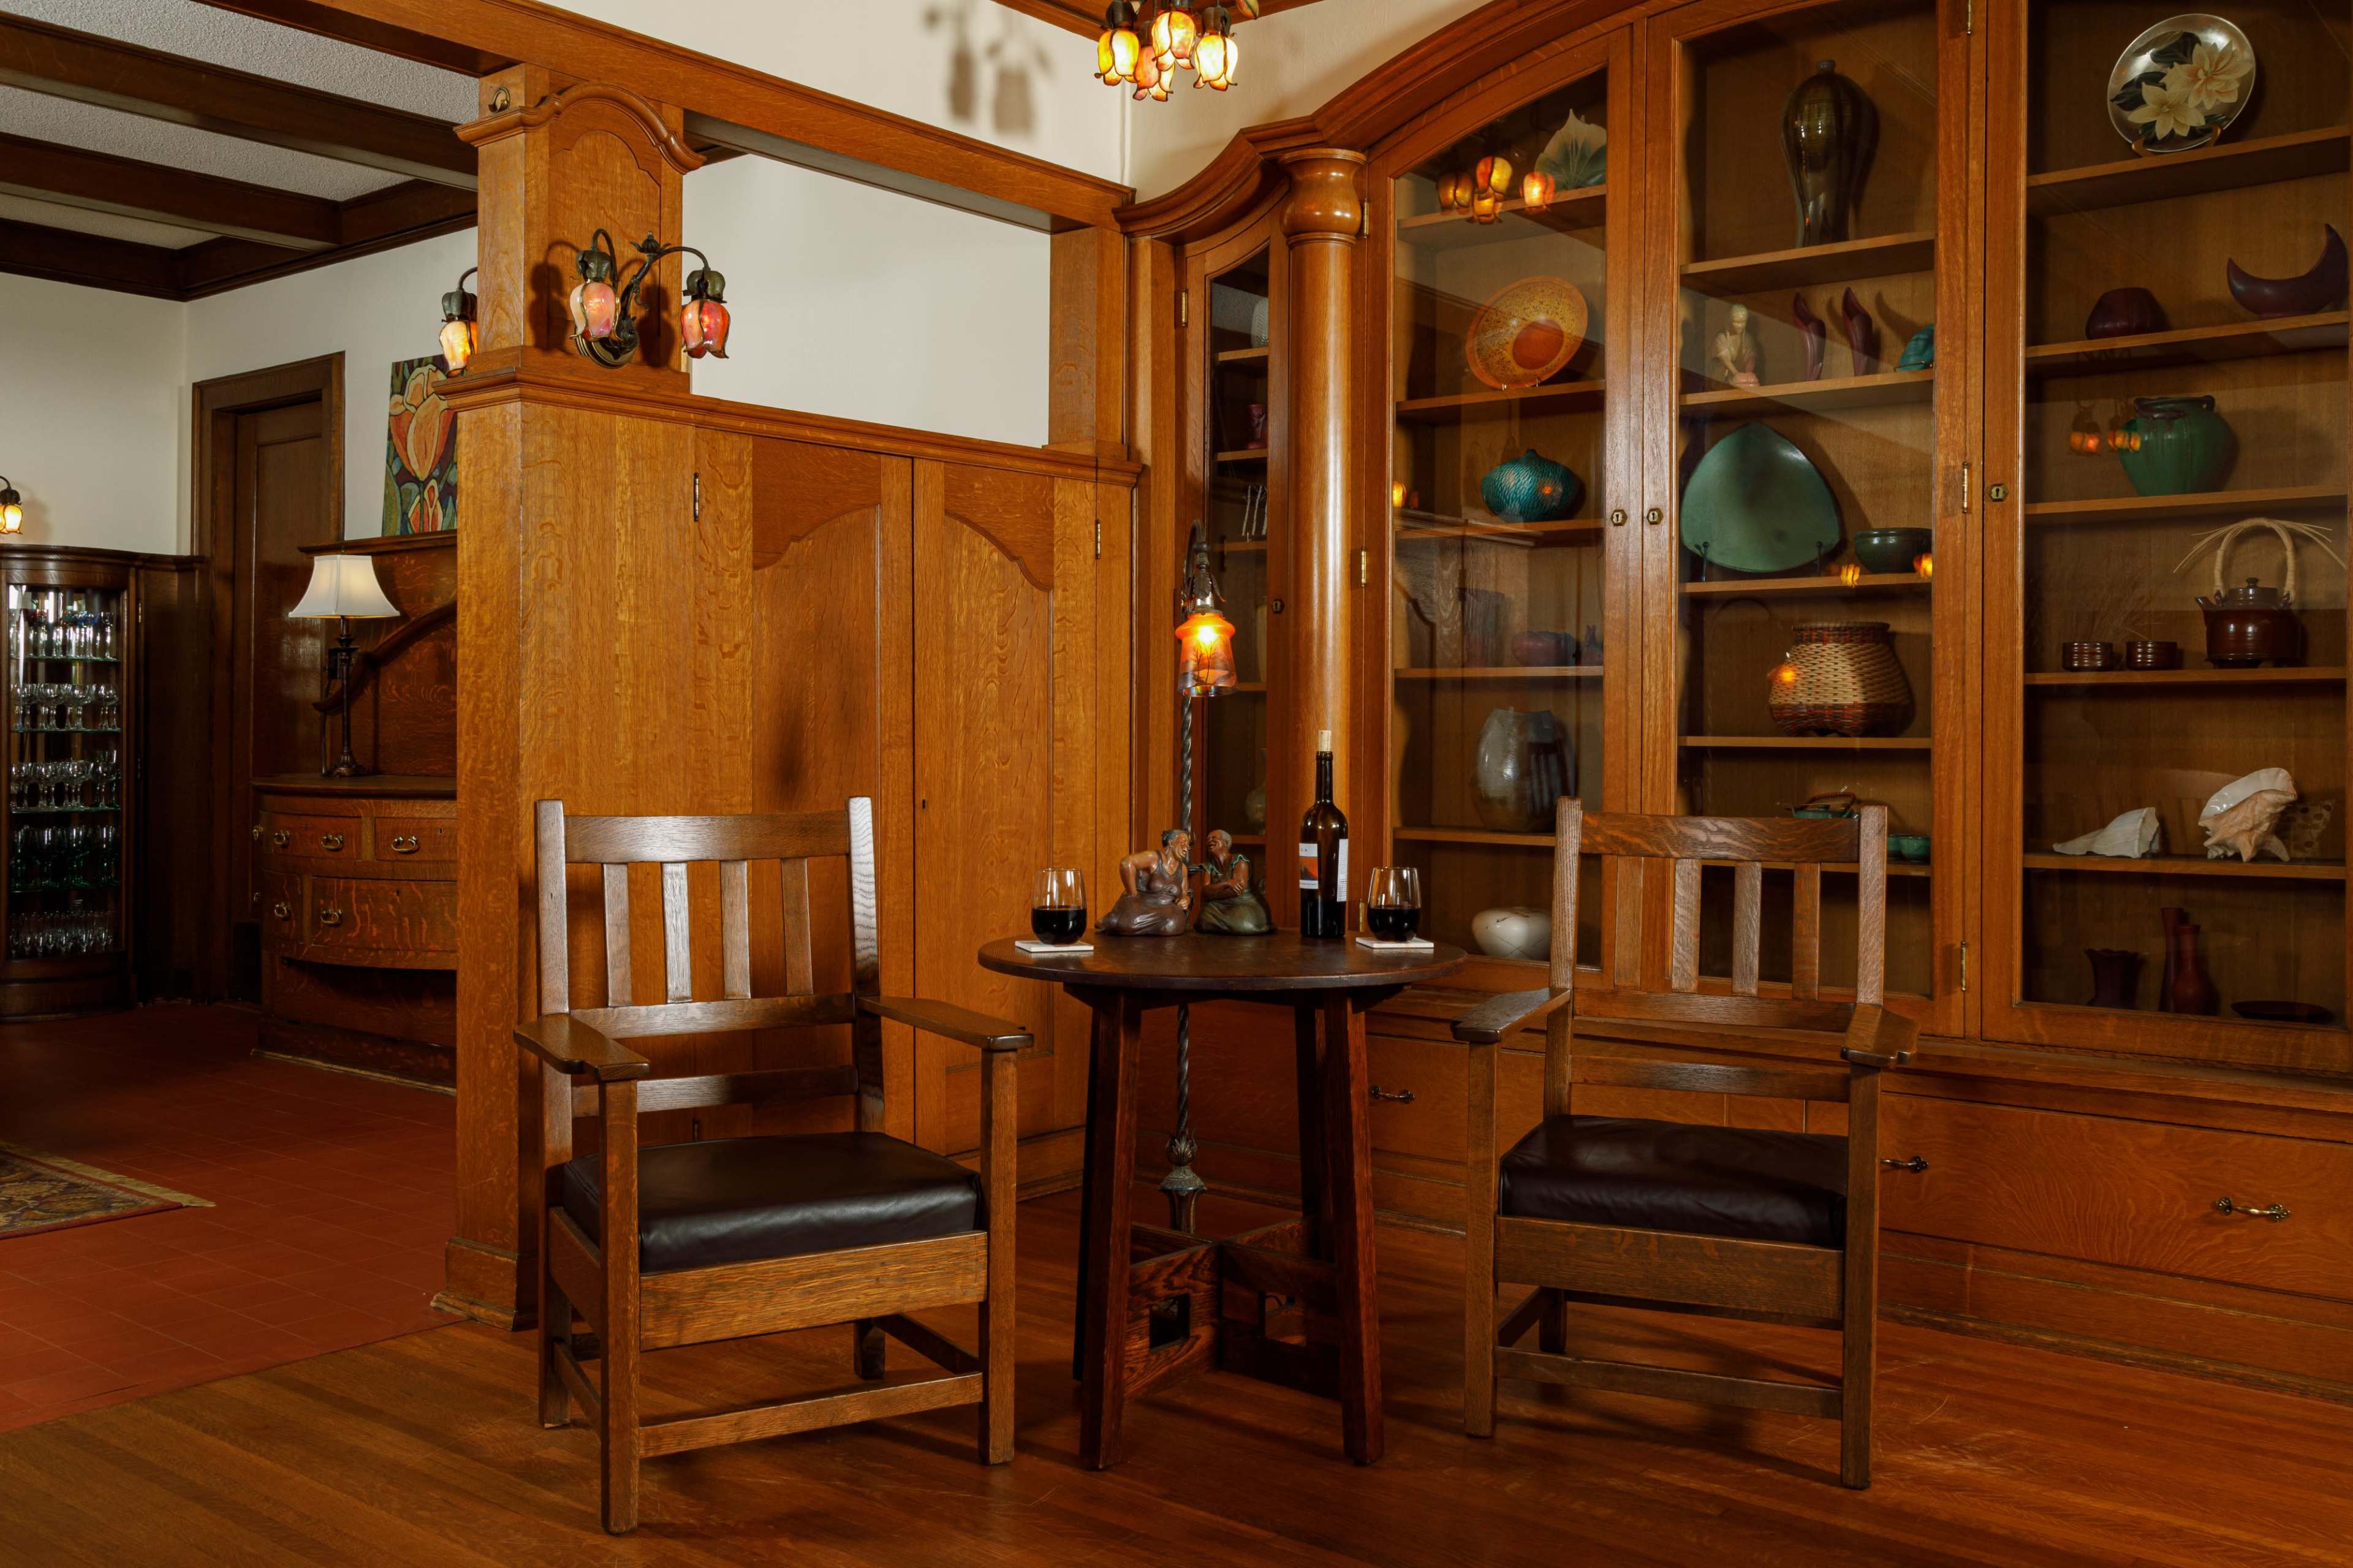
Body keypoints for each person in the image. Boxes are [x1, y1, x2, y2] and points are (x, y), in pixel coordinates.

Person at [1096, 828, 1191, 936]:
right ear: (1171, 842)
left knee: (1174, 922)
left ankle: (1123, 923)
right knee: (1130, 924)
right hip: (1142, 906)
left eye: (1189, 844)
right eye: (1184, 841)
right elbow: (1127, 864)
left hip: (1168, 909)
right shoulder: (1154, 857)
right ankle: (1111, 920)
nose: (1187, 847)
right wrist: (1132, 894)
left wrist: (1185, 900)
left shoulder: (1183, 869)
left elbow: (1184, 893)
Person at [1195, 828, 1272, 935]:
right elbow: (1204, 892)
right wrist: (1227, 883)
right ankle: (1229, 926)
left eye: (1214, 838)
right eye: (1208, 839)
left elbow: (1237, 891)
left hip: (1245, 904)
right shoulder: (1209, 865)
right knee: (1203, 917)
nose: (1209, 841)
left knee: (1244, 921)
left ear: (1226, 843)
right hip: (1219, 905)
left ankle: (1226, 925)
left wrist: (1213, 893)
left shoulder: (1239, 861)